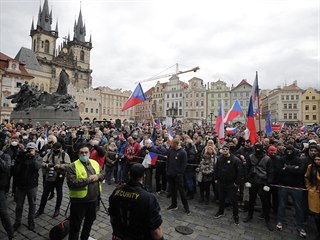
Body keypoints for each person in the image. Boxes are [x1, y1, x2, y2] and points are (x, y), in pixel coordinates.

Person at [109, 163, 164, 239]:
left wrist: (115, 231)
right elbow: (156, 231)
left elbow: (112, 216)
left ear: (129, 174)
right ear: (143, 176)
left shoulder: (116, 191)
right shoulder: (149, 198)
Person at [66, 145, 104, 240]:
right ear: (78, 154)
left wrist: (98, 176)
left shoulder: (95, 163)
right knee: (75, 226)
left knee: (89, 223)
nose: (84, 154)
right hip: (79, 202)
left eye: (86, 152)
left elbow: (103, 173)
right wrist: (89, 180)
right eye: (81, 153)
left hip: (93, 200)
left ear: (89, 153)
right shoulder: (72, 166)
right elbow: (72, 183)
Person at [275, 145, 307, 237]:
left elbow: (300, 171)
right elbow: (279, 171)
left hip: (296, 187)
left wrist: (287, 168)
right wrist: (293, 168)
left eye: (291, 150)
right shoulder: (281, 159)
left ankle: (300, 226)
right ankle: (280, 221)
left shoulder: (299, 160)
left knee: (298, 207)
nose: (289, 152)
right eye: (287, 150)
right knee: (282, 205)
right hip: (283, 186)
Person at [35, 142, 71, 218]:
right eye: (54, 149)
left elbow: (69, 165)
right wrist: (47, 165)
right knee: (45, 194)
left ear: (61, 148)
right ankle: (41, 209)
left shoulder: (65, 155)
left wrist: (60, 166)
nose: (56, 150)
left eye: (57, 149)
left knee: (59, 193)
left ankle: (57, 209)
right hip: (49, 176)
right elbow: (43, 162)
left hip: (59, 177)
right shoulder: (49, 154)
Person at [243, 143, 274, 231]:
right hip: (253, 181)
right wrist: (247, 180)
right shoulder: (250, 157)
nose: (257, 150)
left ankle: (267, 219)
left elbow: (271, 172)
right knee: (252, 199)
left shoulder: (267, 159)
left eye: (259, 149)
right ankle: (250, 215)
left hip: (263, 182)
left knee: (265, 202)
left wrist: (268, 183)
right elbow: (247, 168)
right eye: (256, 149)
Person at [13, 142, 42, 231]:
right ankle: (17, 221)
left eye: (31, 149)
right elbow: (16, 170)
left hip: (32, 186)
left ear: (35, 150)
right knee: (19, 205)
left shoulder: (38, 157)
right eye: (28, 149)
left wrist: (32, 157)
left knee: (32, 204)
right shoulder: (22, 157)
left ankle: (31, 221)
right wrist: (21, 158)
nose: (29, 151)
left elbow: (37, 167)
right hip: (21, 185)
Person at [214, 144, 242, 225]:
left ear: (229, 150)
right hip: (221, 182)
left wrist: (236, 183)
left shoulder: (235, 160)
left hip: (231, 184)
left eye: (226, 149)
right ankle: (220, 211)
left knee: (234, 201)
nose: (225, 150)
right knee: (221, 198)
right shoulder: (219, 158)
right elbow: (216, 169)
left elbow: (239, 173)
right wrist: (216, 178)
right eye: (223, 149)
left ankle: (235, 216)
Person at [166, 138, 190, 215]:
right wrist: (167, 171)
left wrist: (179, 174)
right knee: (173, 190)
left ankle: (186, 207)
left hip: (178, 176)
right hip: (170, 174)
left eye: (172, 143)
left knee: (182, 192)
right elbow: (168, 161)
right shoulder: (170, 151)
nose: (171, 144)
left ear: (176, 144)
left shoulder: (183, 153)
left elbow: (183, 165)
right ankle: (174, 204)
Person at [305, 152, 320, 240]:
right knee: (317, 215)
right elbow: (307, 178)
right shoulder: (311, 167)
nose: (317, 161)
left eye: (319, 159)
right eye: (316, 159)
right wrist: (309, 187)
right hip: (315, 192)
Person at [0, 150, 14, 239]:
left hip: (0, 188)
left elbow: (6, 168)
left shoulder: (5, 156)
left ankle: (10, 233)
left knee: (3, 212)